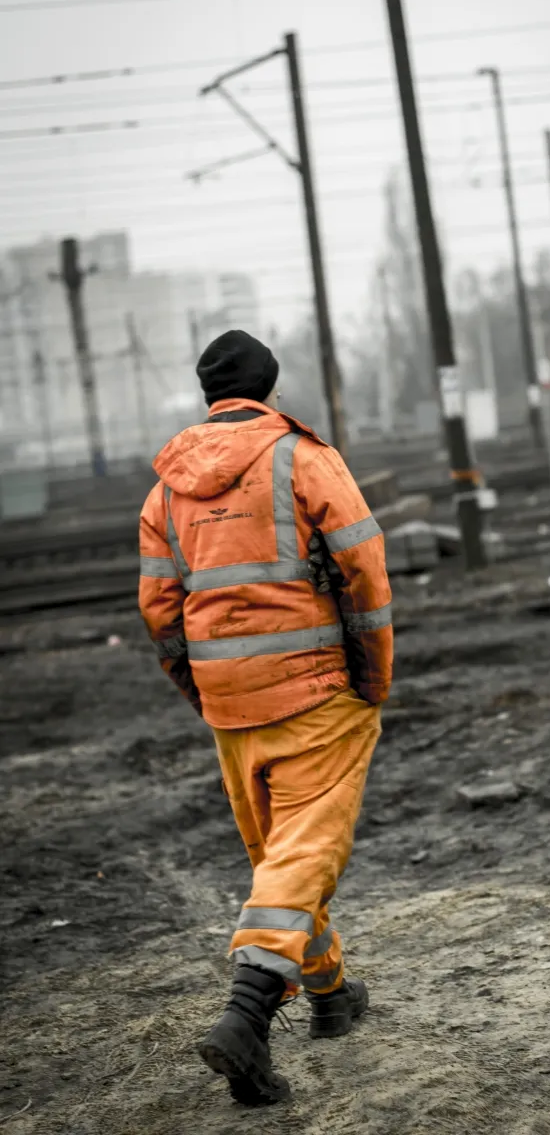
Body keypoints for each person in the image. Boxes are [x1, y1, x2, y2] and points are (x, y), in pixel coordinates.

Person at [138, 330, 393, 1105]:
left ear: (208, 395)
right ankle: (245, 1019)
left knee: (282, 859)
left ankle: (331, 994)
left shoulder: (168, 488)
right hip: (316, 694)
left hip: (229, 703)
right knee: (302, 853)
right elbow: (365, 571)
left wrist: (203, 689)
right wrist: (371, 679)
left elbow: (158, 610)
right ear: (271, 386)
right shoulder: (303, 456)